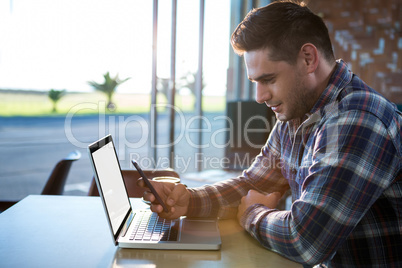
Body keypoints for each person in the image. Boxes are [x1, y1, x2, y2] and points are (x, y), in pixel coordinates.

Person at [139, 1, 402, 267]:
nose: (260, 97)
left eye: (268, 79)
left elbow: (306, 242)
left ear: (308, 58)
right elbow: (254, 185)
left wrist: (253, 213)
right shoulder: (297, 112)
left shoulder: (357, 120)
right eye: (256, 82)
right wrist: (190, 201)